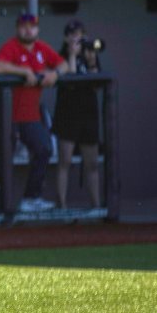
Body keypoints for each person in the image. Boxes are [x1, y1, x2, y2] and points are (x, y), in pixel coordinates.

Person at [0, 13, 65, 213]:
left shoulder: (42, 48)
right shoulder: (11, 46)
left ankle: (31, 198)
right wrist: (24, 71)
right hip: (4, 115)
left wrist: (55, 73)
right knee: (4, 159)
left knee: (44, 148)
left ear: (37, 29)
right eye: (24, 26)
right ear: (17, 28)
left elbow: (64, 64)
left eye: (32, 26)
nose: (28, 30)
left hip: (29, 115)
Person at [52, 20, 102, 209]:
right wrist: (72, 55)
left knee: (92, 164)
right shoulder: (61, 56)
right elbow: (70, 80)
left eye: (80, 34)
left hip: (88, 114)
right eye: (73, 34)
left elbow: (97, 84)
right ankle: (62, 205)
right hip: (68, 114)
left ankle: (96, 206)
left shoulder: (90, 54)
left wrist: (92, 61)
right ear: (66, 38)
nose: (77, 38)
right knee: (65, 161)